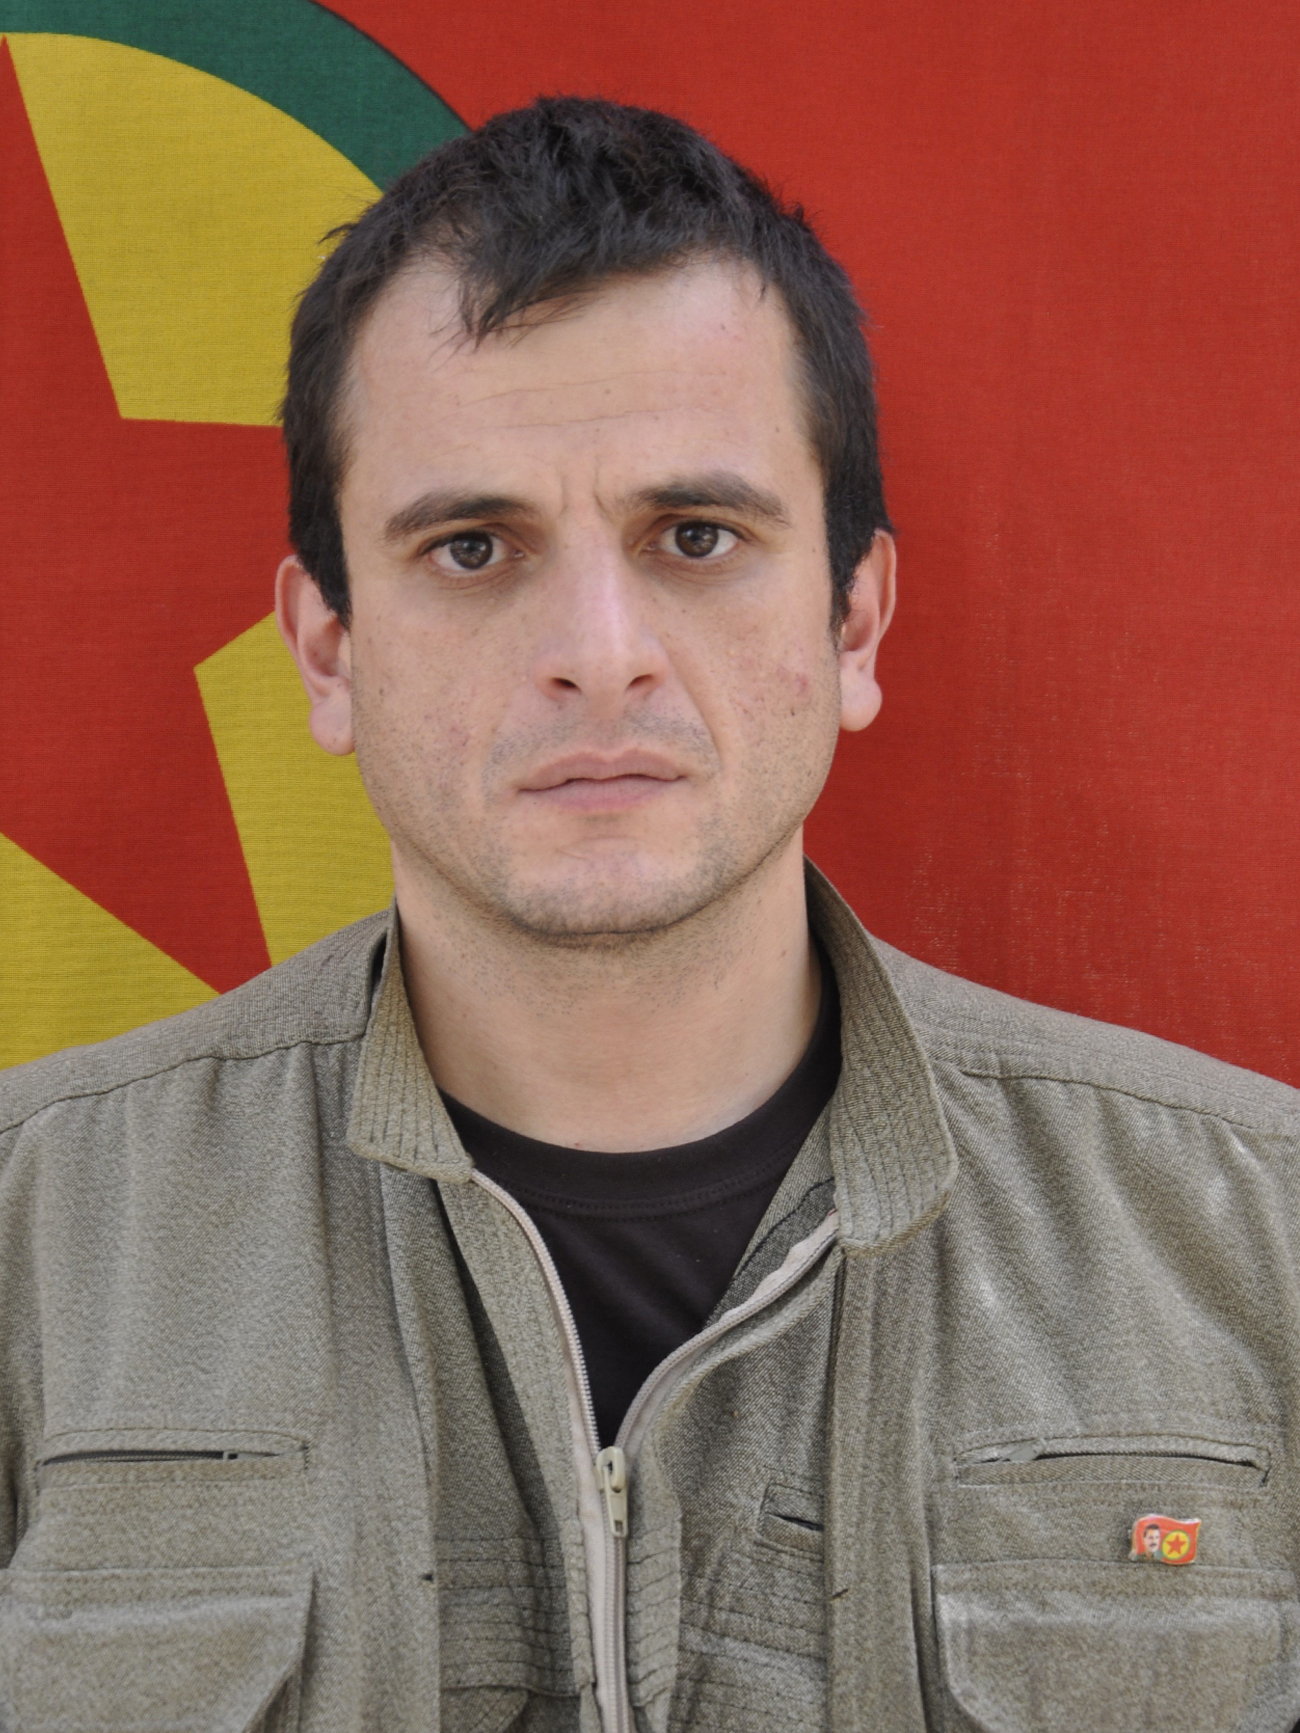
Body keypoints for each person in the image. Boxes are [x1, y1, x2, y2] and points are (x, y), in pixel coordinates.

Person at [2, 96, 1298, 1733]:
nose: (599, 652)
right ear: (328, 648)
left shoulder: (1257, 1242)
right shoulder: (33, 1250)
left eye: (697, 536)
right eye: (473, 546)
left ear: (854, 620)